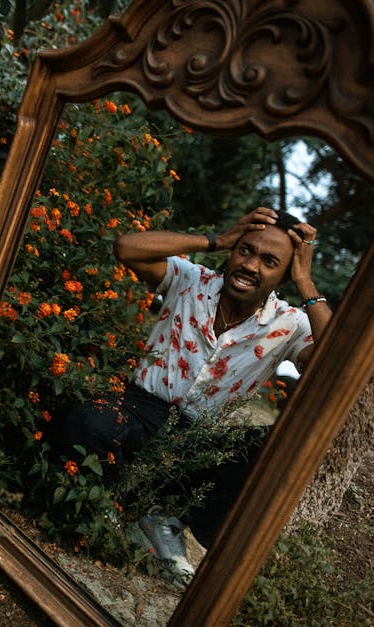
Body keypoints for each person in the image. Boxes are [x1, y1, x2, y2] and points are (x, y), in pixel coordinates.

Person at [51, 207, 331, 583]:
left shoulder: (290, 322)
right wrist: (217, 240)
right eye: (245, 250)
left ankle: (167, 523)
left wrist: (306, 281)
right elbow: (126, 247)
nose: (250, 265)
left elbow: (334, 362)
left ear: (284, 274)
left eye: (269, 261)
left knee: (276, 445)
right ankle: (107, 514)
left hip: (200, 443)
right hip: (140, 413)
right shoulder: (190, 279)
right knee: (87, 418)